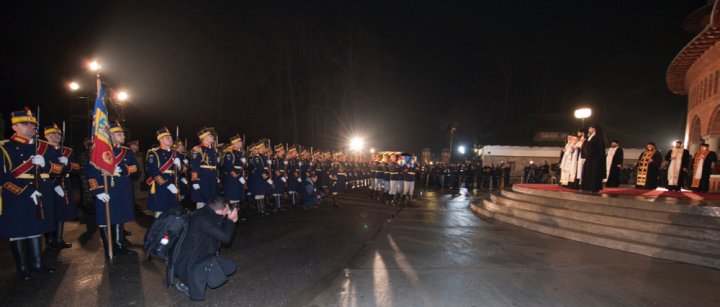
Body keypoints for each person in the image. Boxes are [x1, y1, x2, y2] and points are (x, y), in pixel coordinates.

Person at [0, 108, 55, 279]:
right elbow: (3, 177)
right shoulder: (5, 147)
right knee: (18, 231)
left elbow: (58, 169)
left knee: (35, 229)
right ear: (15, 127)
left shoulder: (43, 147)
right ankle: (22, 268)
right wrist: (28, 191)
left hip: (40, 192)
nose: (31, 127)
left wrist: (45, 164)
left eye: (33, 124)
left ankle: (37, 265)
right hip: (17, 197)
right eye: (26, 124)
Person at [87, 121, 139, 257]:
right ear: (109, 135)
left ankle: (119, 246)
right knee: (105, 218)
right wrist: (97, 191)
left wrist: (124, 169)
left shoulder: (126, 152)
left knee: (119, 217)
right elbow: (91, 173)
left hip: (122, 189)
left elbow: (136, 168)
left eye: (123, 133)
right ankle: (108, 247)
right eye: (119, 133)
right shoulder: (98, 151)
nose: (123, 136)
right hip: (105, 189)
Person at [174, 197, 238, 301]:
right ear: (218, 211)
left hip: (199, 252)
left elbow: (218, 227)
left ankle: (193, 277)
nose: (227, 213)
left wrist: (226, 219)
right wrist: (231, 221)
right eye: (226, 211)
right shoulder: (203, 219)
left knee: (230, 267)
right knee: (216, 275)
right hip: (192, 258)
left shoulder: (205, 212)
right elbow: (225, 238)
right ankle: (185, 284)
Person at [45, 123, 77, 249]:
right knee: (48, 212)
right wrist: (53, 185)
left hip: (64, 183)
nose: (56, 136)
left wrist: (68, 164)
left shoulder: (67, 151)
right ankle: (49, 239)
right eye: (53, 134)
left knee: (61, 212)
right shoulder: (43, 150)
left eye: (58, 134)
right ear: (46, 135)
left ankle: (59, 239)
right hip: (49, 184)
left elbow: (77, 167)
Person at [145, 127, 182, 218]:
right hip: (161, 186)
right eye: (167, 137)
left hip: (174, 183)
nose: (171, 139)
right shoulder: (154, 153)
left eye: (170, 137)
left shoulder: (175, 153)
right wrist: (167, 185)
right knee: (160, 214)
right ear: (160, 139)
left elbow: (180, 171)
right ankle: (158, 231)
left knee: (173, 212)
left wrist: (179, 165)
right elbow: (153, 172)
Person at [190, 128, 219, 209]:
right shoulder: (198, 149)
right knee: (201, 200)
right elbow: (195, 166)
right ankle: (199, 218)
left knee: (211, 199)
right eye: (210, 135)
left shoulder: (213, 150)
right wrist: (195, 181)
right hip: (203, 177)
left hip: (211, 178)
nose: (212, 136)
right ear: (204, 138)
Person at [221, 134, 246, 210]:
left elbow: (242, 167)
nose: (240, 143)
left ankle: (236, 216)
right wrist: (238, 177)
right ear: (234, 143)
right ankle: (231, 217)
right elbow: (229, 168)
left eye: (240, 141)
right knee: (233, 197)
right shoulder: (230, 153)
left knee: (237, 196)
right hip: (233, 180)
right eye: (239, 142)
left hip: (239, 177)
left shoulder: (240, 153)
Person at [581, 123, 606, 193]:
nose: (588, 130)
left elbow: (594, 149)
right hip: (589, 159)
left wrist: (586, 144)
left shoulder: (597, 138)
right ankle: (587, 187)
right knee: (588, 173)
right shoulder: (591, 137)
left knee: (593, 174)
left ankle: (593, 188)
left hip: (595, 160)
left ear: (593, 129)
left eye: (590, 128)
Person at [128, 140, 144, 208]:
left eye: (137, 145)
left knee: (136, 192)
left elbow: (141, 166)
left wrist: (142, 175)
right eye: (136, 145)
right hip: (132, 177)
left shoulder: (139, 154)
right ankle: (131, 205)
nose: (137, 147)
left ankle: (134, 204)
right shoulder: (128, 154)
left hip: (139, 176)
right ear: (132, 146)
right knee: (131, 192)